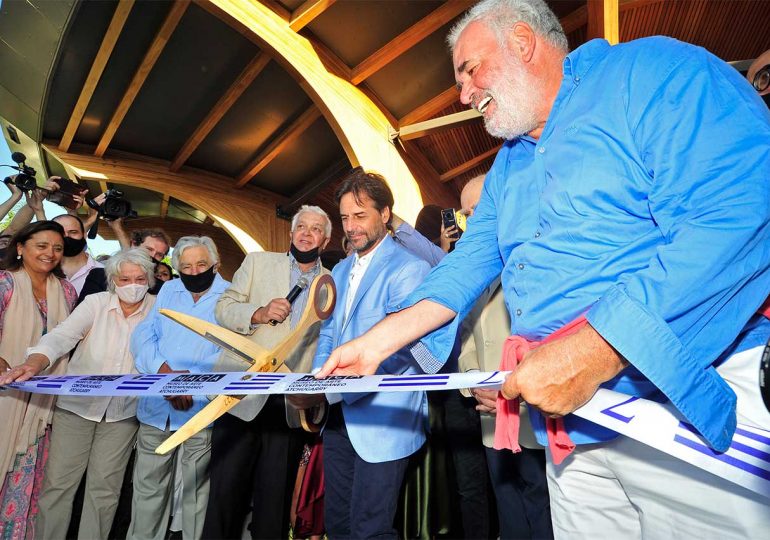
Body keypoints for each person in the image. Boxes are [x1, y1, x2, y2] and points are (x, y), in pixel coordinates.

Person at [318, 0, 770, 537]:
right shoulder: (510, 162)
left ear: (523, 41)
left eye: (469, 70)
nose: (463, 94)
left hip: (680, 398)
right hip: (572, 427)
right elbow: (469, 263)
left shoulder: (653, 73)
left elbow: (739, 209)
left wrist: (595, 351)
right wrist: (376, 343)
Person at [289, 169, 431, 540]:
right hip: (339, 418)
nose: (351, 227)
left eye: (361, 215)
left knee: (371, 530)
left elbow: (406, 351)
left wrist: (329, 390)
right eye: (345, 218)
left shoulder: (410, 269)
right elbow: (330, 331)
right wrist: (319, 382)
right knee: (337, 524)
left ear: (385, 214)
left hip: (385, 420)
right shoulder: (339, 269)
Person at [0, 248, 156, 539]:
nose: (132, 285)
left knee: (105, 490)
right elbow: (63, 335)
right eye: (124, 278)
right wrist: (35, 361)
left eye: (139, 278)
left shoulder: (158, 310)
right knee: (58, 484)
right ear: (113, 281)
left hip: (123, 413)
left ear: (148, 279)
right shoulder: (96, 303)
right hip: (76, 407)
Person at [202, 205, 331, 540]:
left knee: (274, 503)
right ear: (290, 233)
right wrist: (258, 313)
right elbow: (223, 309)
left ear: (326, 238)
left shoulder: (332, 283)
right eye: (301, 226)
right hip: (240, 396)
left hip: (289, 405)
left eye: (315, 229)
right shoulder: (258, 262)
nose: (306, 233)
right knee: (224, 497)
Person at [456, 175, 551, 539]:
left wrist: (510, 393)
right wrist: (475, 387)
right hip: (490, 422)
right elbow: (466, 342)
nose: (473, 218)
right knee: (508, 511)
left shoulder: (538, 259)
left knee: (543, 513)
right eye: (467, 213)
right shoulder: (476, 274)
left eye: (479, 208)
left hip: (536, 419)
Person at [392, 201, 493, 539]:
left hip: (491, 384)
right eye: (466, 213)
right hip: (454, 388)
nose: (465, 220)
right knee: (468, 477)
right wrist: (390, 217)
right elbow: (417, 245)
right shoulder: (444, 265)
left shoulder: (496, 257)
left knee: (495, 475)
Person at [128, 236, 229, 540]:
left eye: (201, 264)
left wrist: (188, 383)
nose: (194, 271)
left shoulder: (231, 295)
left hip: (201, 407)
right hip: (159, 403)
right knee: (148, 486)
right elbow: (143, 337)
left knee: (197, 490)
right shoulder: (169, 290)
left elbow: (230, 353)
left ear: (215, 264)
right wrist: (165, 374)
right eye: (185, 266)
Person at [0, 221, 78, 539]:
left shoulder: (68, 291)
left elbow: (69, 342)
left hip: (44, 408)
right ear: (20, 247)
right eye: (42, 245)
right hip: (5, 396)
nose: (50, 253)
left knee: (31, 475)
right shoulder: (4, 284)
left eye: (57, 248)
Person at [80, 226, 171, 301]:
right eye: (149, 249)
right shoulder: (100, 276)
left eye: (159, 254)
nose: (152, 255)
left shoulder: (162, 289)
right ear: (134, 244)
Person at [52, 214, 103, 295]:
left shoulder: (104, 272)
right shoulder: (42, 270)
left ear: (84, 235)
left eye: (73, 232)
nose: (67, 236)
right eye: (60, 233)